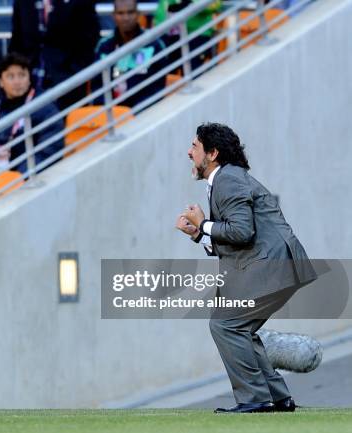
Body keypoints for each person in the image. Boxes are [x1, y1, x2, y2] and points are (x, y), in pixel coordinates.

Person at [177, 122, 316, 413]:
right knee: (239, 328)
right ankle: (277, 397)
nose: (189, 152)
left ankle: (255, 399)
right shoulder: (228, 178)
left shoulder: (227, 179)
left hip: (273, 266)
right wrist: (200, 233)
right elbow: (238, 235)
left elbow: (242, 231)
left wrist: (204, 224)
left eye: (195, 146)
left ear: (212, 153)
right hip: (279, 265)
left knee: (226, 324)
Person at [9, 0, 101, 109]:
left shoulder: (79, 3)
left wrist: (73, 72)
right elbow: (17, 40)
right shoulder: (23, 2)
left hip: (67, 80)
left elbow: (89, 39)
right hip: (30, 79)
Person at [94, 0, 167, 108]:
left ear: (138, 14)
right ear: (113, 16)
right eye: (120, 13)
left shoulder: (154, 44)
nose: (126, 18)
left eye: (130, 12)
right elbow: (98, 86)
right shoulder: (104, 47)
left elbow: (157, 87)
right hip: (112, 115)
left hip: (146, 113)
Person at [154, 0, 222, 71]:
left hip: (197, 33)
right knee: (162, 69)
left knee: (193, 70)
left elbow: (215, 4)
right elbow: (162, 12)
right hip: (170, 33)